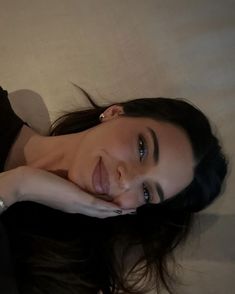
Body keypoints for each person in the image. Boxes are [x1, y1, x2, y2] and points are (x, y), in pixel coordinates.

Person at [0, 85, 228, 294]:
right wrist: (19, 183)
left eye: (146, 192)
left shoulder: (63, 271)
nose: (126, 180)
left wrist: (21, 186)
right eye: (142, 148)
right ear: (114, 113)